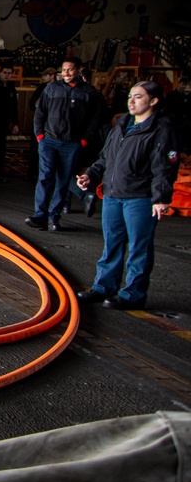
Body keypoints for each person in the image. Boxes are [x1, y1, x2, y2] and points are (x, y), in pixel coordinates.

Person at [75, 81, 180, 310]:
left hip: (139, 199)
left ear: (153, 101)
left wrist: (161, 198)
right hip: (113, 195)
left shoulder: (161, 129)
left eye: (139, 97)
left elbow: (164, 167)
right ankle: (104, 287)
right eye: (131, 96)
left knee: (138, 248)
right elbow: (105, 157)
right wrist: (90, 175)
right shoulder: (121, 125)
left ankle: (133, 294)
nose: (131, 101)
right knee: (112, 244)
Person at [26, 57, 104, 232]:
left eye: (70, 70)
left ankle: (54, 217)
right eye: (63, 70)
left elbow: (95, 119)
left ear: (78, 70)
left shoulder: (88, 93)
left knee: (62, 182)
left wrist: (84, 140)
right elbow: (40, 113)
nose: (66, 73)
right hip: (49, 142)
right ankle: (40, 216)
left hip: (72, 144)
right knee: (45, 178)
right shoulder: (51, 89)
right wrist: (40, 136)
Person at [25, 67, 58, 181]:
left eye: (45, 75)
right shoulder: (41, 89)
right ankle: (31, 174)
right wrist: (36, 104)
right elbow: (31, 104)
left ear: (52, 76)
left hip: (52, 126)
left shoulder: (60, 89)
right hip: (41, 124)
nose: (43, 77)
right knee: (35, 150)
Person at [164, 75, 191, 154]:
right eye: (182, 84)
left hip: (183, 123)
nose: (183, 86)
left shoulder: (185, 97)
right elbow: (167, 110)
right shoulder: (171, 95)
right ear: (178, 84)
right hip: (174, 122)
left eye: (185, 85)